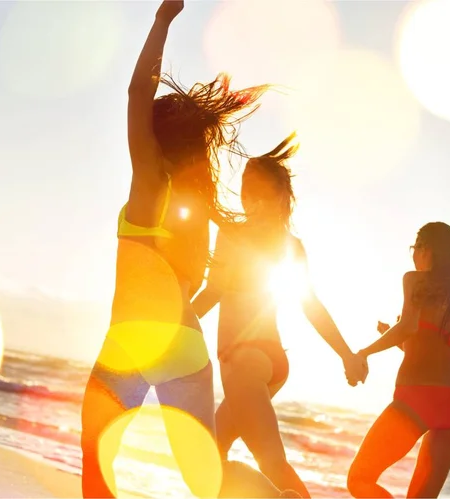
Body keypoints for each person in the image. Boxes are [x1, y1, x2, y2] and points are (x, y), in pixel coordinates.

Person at [80, 1, 274, 497]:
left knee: (96, 458)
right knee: (204, 478)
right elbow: (196, 287)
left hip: (130, 341)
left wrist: (163, 18)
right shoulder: (195, 207)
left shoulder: (152, 181)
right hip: (182, 346)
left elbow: (135, 92)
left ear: (158, 135)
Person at [192, 133, 368, 498]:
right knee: (208, 453)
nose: (245, 196)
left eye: (252, 188)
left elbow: (213, 292)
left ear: (273, 196)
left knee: (271, 463)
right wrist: (346, 354)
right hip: (271, 364)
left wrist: (173, 324)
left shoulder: (233, 234)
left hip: (244, 360)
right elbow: (310, 304)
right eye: (243, 186)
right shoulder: (290, 244)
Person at [347, 222, 450, 498]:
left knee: (359, 480)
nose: (413, 254)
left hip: (416, 399)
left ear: (426, 249)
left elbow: (409, 328)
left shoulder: (414, 280)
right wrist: (394, 335)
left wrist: (364, 353)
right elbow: (432, 350)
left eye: (416, 247)